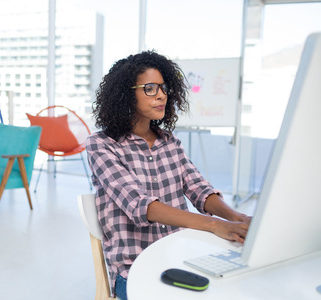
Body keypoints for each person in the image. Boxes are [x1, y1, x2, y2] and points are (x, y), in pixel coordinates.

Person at [85, 51, 252, 299]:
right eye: (150, 88)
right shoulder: (102, 145)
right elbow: (141, 206)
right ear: (125, 94)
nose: (161, 95)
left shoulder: (170, 142)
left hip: (179, 258)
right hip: (134, 270)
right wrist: (216, 225)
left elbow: (199, 190)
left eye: (163, 88)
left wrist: (237, 218)